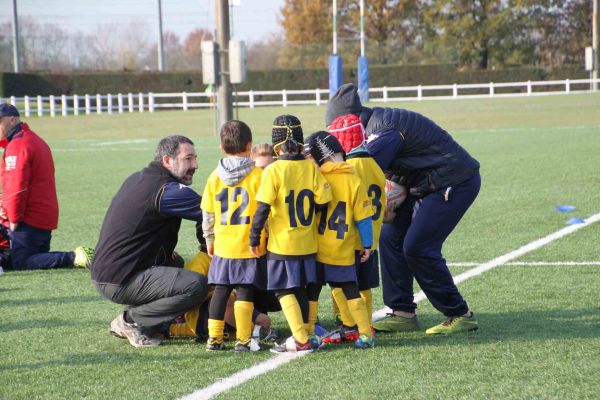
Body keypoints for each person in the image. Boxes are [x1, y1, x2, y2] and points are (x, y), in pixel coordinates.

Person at [325, 83, 480, 335]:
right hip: (423, 183)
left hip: (452, 181)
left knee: (418, 247)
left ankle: (460, 313)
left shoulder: (381, 132)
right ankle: (402, 313)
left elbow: (361, 174)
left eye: (336, 127)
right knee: (390, 236)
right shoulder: (373, 126)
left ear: (349, 121)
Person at [91, 135, 209, 348]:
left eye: (195, 158)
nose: (195, 165)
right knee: (195, 285)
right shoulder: (168, 191)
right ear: (167, 161)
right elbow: (213, 212)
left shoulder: (140, 177)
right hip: (120, 279)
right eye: (188, 159)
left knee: (176, 264)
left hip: (110, 271)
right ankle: (130, 321)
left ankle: (157, 320)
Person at [250, 115, 332, 353]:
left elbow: (262, 208)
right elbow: (324, 201)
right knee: (301, 289)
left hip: (282, 243)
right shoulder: (311, 167)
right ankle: (306, 333)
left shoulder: (274, 170)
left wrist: (254, 238)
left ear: (276, 145)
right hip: (307, 242)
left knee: (283, 290)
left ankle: (300, 339)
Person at [0, 103, 93, 271]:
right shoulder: (31, 139)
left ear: (13, 120)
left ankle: (74, 257)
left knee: (21, 262)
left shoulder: (18, 146)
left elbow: (17, 188)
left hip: (28, 220)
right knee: (21, 259)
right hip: (43, 218)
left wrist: (13, 218)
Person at [201, 120, 268, 352]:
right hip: (249, 244)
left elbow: (207, 213)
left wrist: (209, 240)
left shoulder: (213, 177)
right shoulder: (258, 175)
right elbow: (266, 209)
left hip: (223, 244)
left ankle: (215, 339)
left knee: (220, 290)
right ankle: (243, 339)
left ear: (222, 148)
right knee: (244, 291)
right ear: (249, 145)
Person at [305, 131, 375, 349]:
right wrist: (367, 245)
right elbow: (364, 219)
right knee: (351, 290)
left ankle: (308, 334)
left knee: (312, 291)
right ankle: (365, 333)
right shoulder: (354, 180)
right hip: (343, 249)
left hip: (317, 247)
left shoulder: (317, 177)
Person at [324, 113, 386, 342]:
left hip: (350, 236)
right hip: (372, 236)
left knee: (341, 282)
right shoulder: (376, 165)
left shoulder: (349, 167)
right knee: (364, 284)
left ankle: (349, 322)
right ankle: (365, 322)